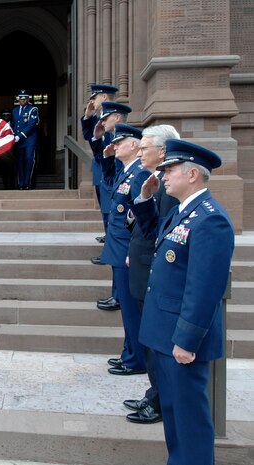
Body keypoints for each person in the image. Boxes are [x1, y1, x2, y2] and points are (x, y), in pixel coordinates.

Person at [131, 139, 234, 465]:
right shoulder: (181, 211)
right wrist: (146, 198)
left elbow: (204, 288)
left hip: (181, 340)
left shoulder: (209, 219)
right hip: (164, 333)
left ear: (192, 174)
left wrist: (187, 341)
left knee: (190, 422)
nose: (163, 175)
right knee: (175, 417)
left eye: (169, 169)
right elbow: (150, 234)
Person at [121, 125, 180, 425]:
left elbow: (163, 233)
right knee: (151, 341)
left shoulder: (171, 186)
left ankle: (159, 401)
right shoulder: (157, 180)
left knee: (157, 343)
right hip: (143, 264)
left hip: (153, 271)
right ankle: (155, 393)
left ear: (162, 150)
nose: (140, 152)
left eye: (144, 148)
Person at [97, 124, 150, 376]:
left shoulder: (139, 174)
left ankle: (135, 359)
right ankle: (128, 352)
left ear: (135, 145)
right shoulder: (126, 172)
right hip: (118, 247)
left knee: (131, 310)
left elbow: (141, 218)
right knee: (127, 310)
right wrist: (107, 158)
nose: (114, 145)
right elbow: (107, 185)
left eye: (120, 142)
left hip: (126, 249)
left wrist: (132, 248)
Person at [91, 101, 132, 311]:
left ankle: (118, 295)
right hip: (114, 199)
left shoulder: (126, 141)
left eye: (106, 118)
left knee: (120, 258)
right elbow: (106, 169)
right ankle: (117, 294)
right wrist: (97, 140)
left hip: (123, 215)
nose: (102, 121)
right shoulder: (111, 139)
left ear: (116, 117)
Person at [80, 83, 118, 243]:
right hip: (100, 168)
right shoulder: (98, 118)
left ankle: (111, 237)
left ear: (104, 96)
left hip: (109, 168)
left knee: (111, 206)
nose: (92, 102)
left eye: (94, 98)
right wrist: (88, 117)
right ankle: (108, 234)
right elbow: (88, 136)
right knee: (104, 207)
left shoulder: (112, 118)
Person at [11, 89, 39, 190]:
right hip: (18, 140)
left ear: (28, 99)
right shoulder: (14, 110)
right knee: (20, 161)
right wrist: (13, 134)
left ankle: (28, 183)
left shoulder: (33, 109)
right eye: (21, 99)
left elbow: (31, 125)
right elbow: (14, 124)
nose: (22, 101)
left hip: (29, 140)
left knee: (29, 160)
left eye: (24, 99)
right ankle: (21, 184)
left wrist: (20, 136)